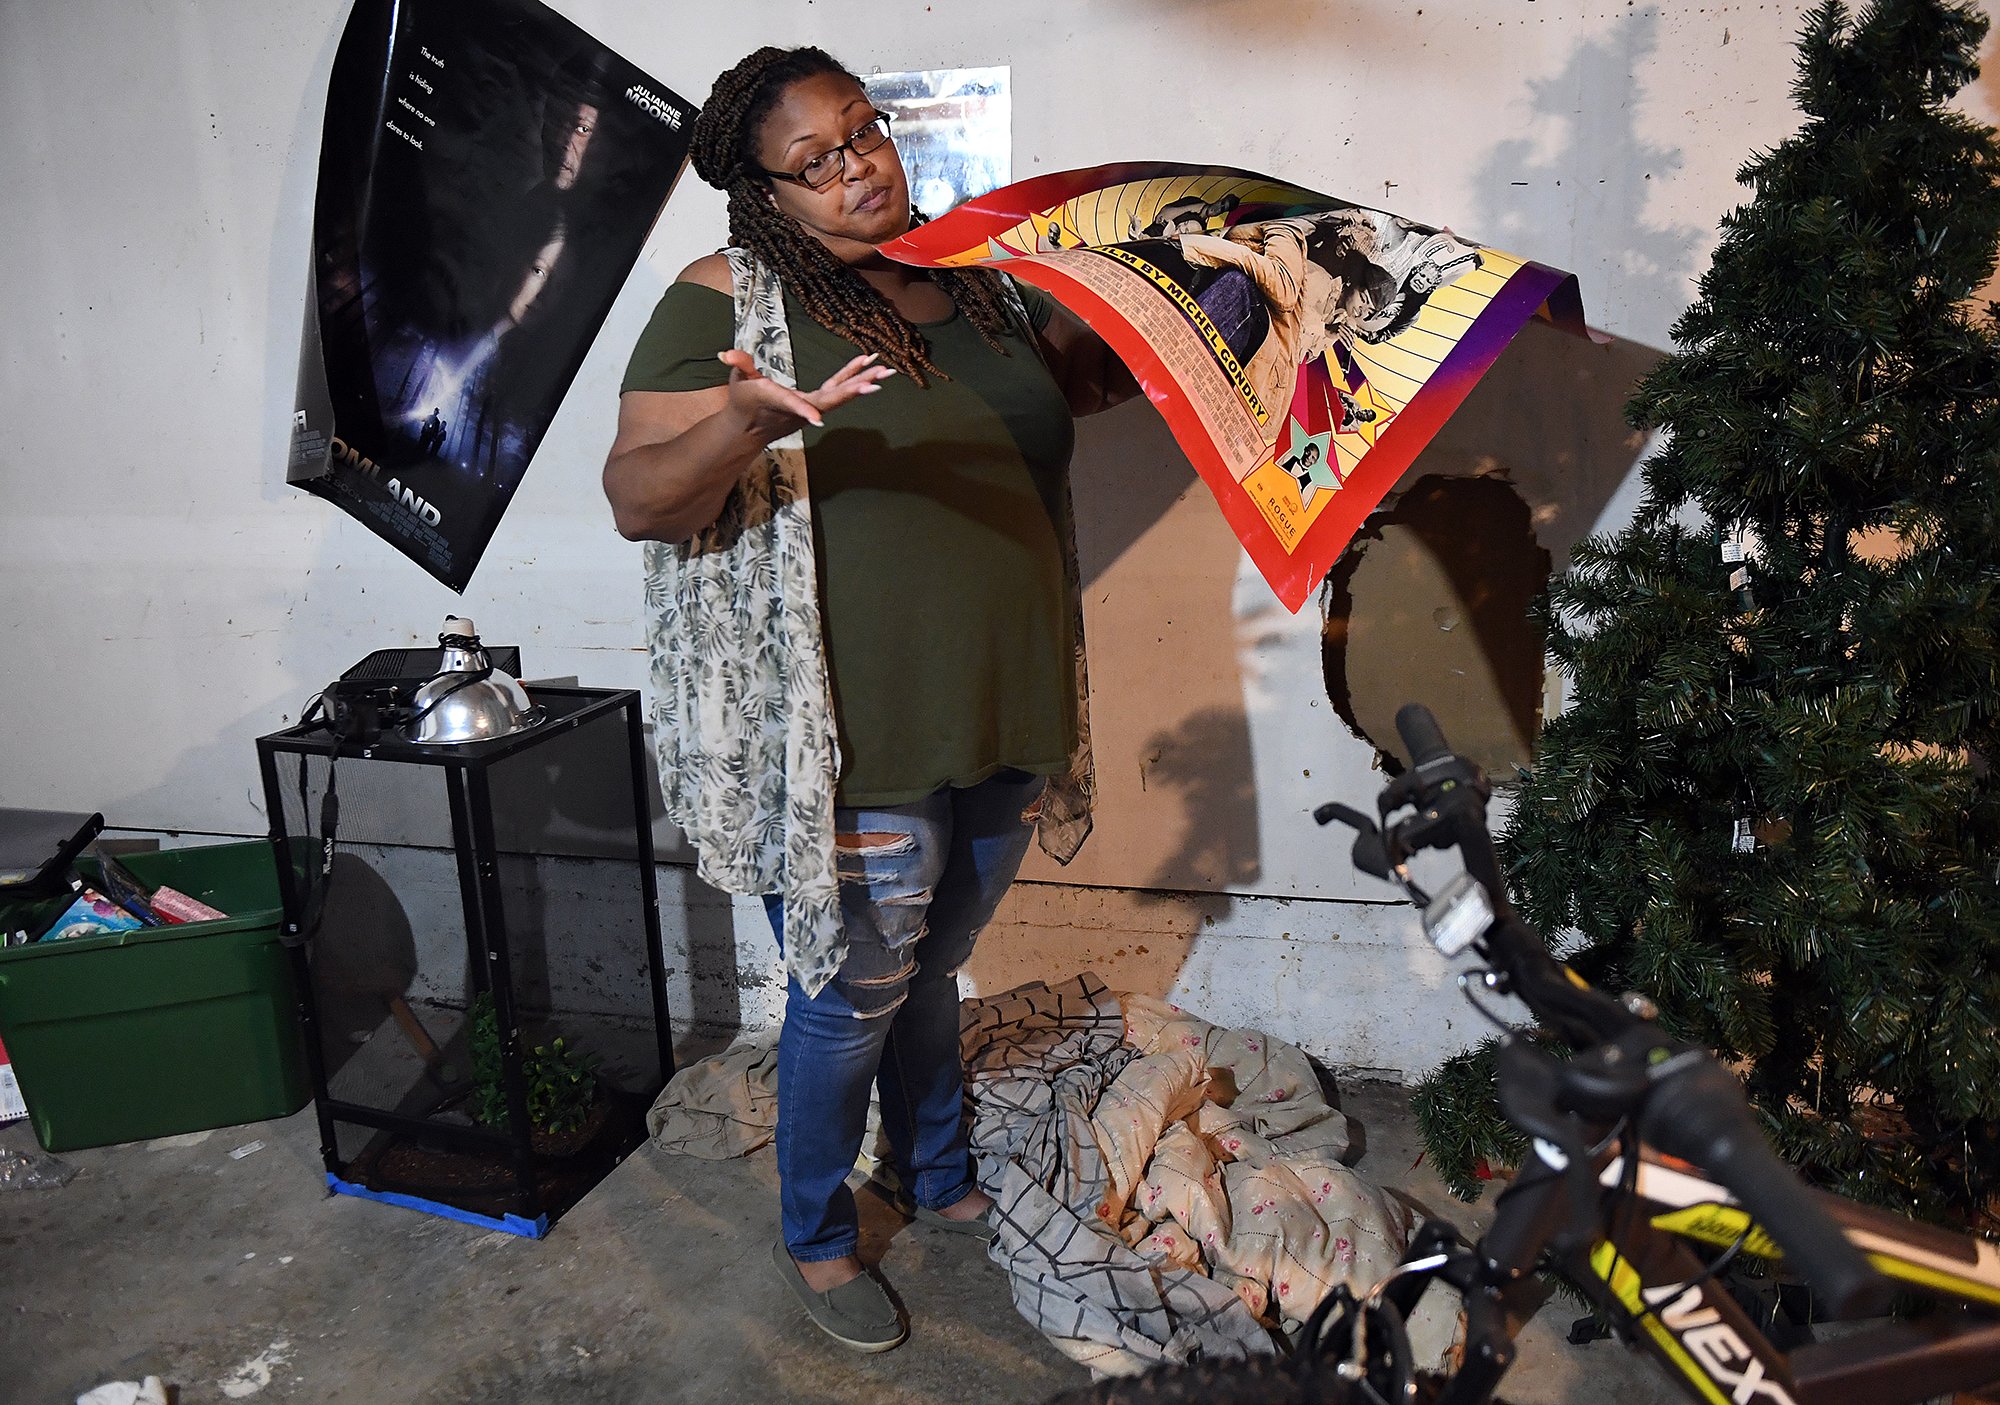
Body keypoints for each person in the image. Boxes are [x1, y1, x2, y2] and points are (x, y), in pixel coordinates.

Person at [601, 45, 1135, 1353]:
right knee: (850, 995)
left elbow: (1049, 417)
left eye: (865, 135)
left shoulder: (976, 281)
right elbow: (637, 499)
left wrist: (1167, 313)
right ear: (764, 192)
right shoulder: (727, 300)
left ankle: (936, 1169)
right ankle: (817, 1233)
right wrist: (751, 420)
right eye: (817, 162)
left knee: (931, 968)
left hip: (1007, 712)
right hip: (856, 745)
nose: (858, 171)